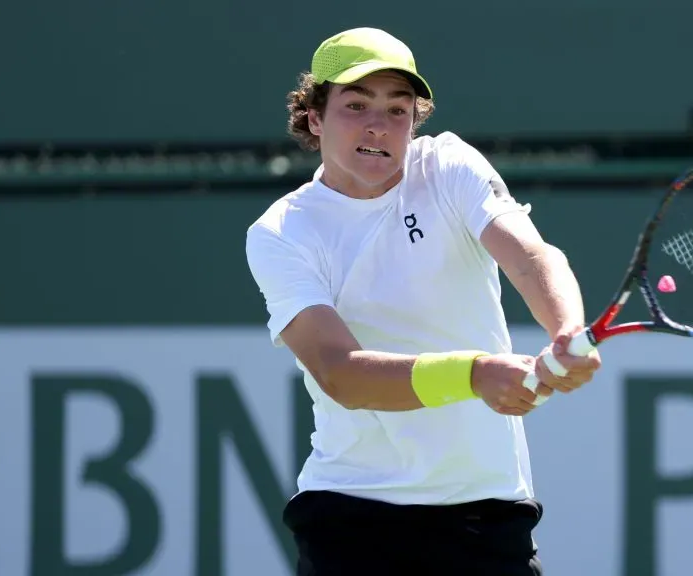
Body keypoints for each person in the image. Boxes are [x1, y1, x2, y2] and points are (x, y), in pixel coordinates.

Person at [245, 27, 601, 576]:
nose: (377, 125)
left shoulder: (449, 166)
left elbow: (531, 257)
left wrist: (567, 331)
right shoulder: (282, 232)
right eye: (355, 105)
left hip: (490, 514)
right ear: (314, 119)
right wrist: (474, 373)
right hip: (353, 521)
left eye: (397, 109)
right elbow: (340, 373)